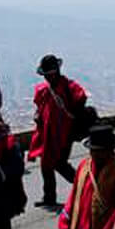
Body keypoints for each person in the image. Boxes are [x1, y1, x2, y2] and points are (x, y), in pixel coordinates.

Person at [29, 55, 89, 210]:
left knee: (60, 164)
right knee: (46, 166)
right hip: (47, 134)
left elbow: (81, 99)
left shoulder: (69, 87)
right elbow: (40, 108)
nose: (48, 77)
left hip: (64, 134)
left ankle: (85, 187)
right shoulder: (43, 90)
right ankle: (49, 197)